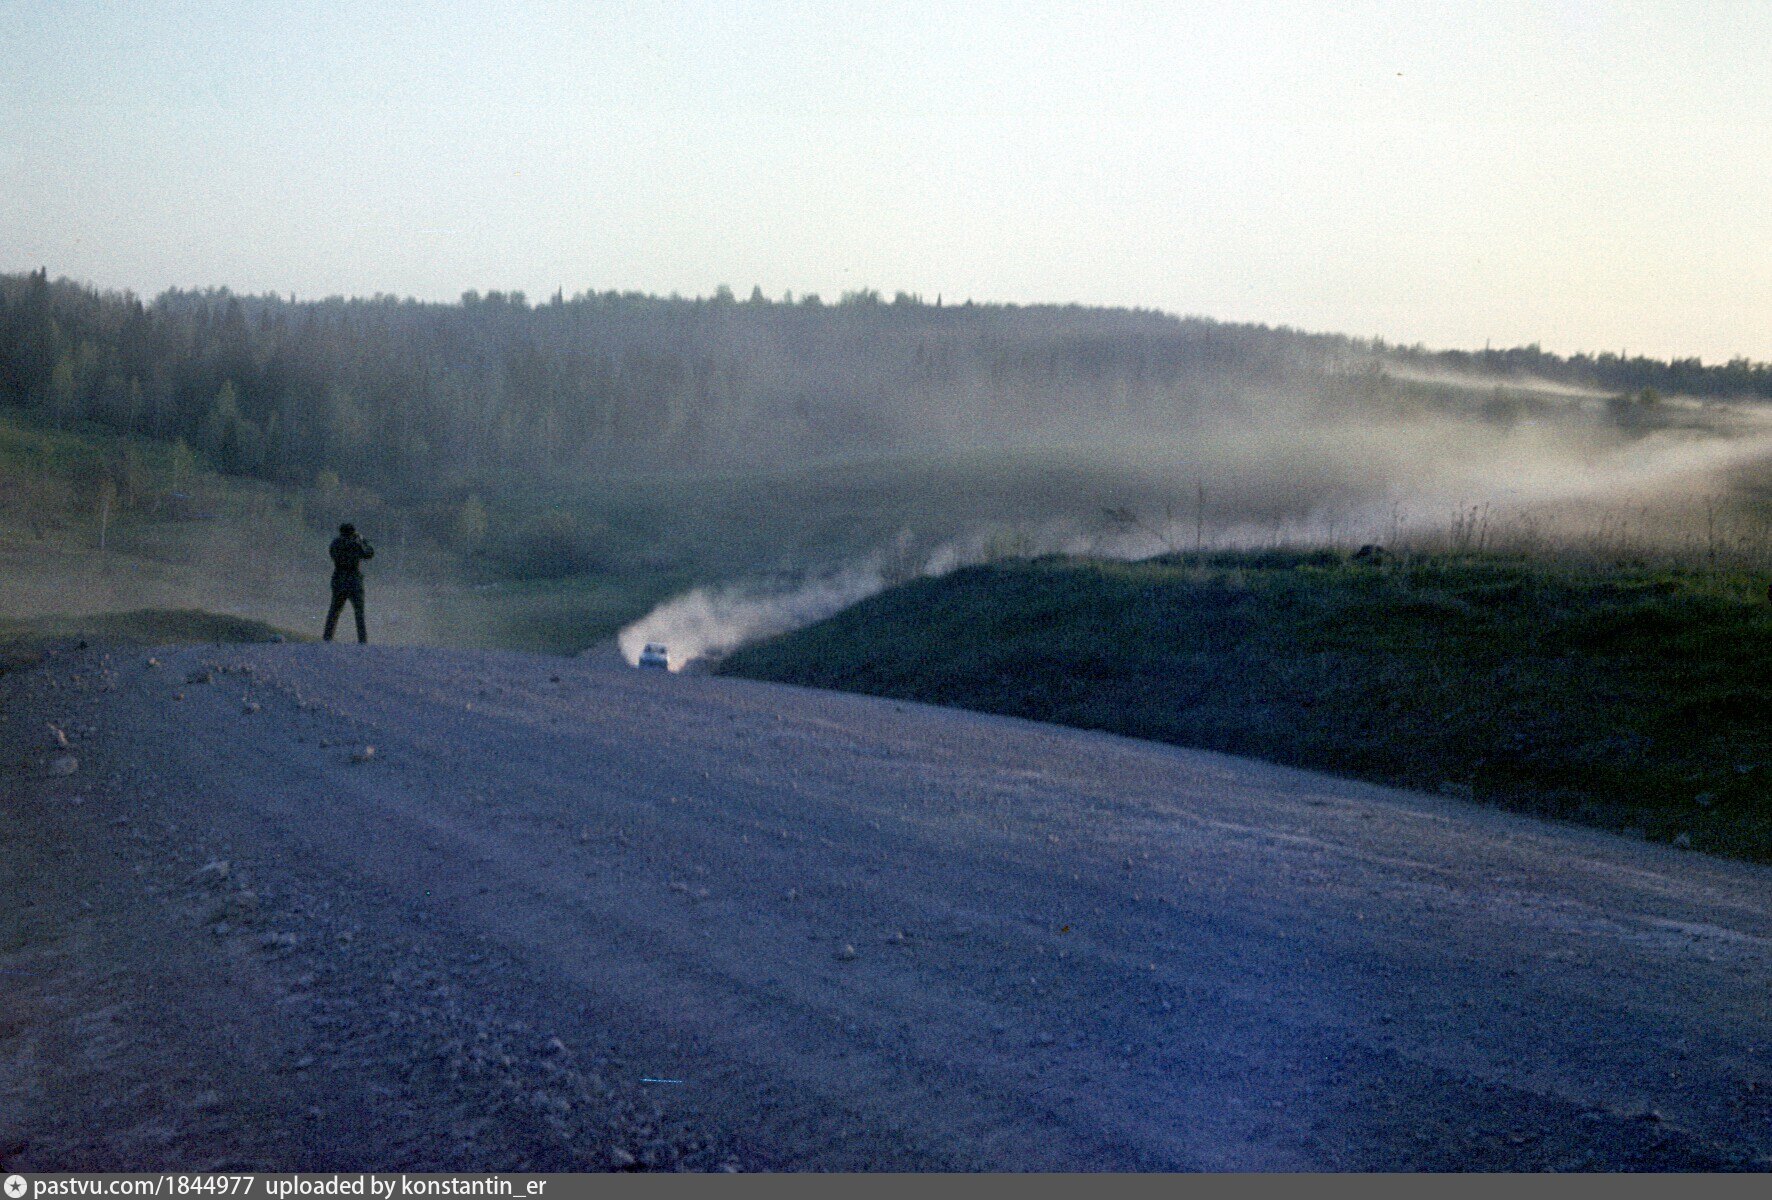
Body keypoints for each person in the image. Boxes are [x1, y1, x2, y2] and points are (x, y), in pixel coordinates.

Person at [323, 522, 375, 643]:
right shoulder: (356, 544)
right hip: (354, 580)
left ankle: (327, 638)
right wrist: (364, 542)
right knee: (359, 613)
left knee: (334, 611)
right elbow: (369, 554)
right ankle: (362, 641)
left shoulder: (336, 543)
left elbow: (333, 554)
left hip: (339, 578)